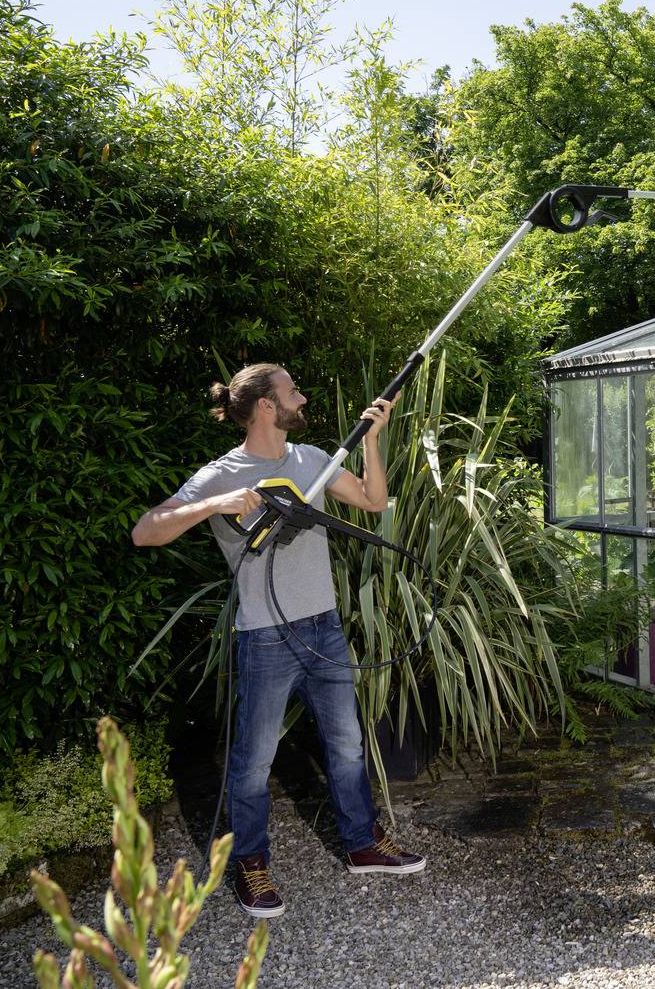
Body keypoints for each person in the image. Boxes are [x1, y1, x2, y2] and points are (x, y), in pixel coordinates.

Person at [132, 363, 424, 919]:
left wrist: (373, 443)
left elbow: (373, 502)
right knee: (253, 759)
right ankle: (249, 862)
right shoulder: (222, 473)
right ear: (266, 405)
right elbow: (146, 531)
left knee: (346, 745)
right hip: (264, 634)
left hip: (324, 626)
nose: (302, 397)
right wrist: (214, 504)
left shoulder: (311, 460)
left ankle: (362, 844)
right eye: (292, 391)